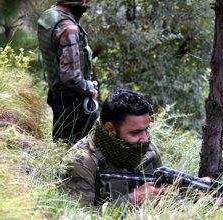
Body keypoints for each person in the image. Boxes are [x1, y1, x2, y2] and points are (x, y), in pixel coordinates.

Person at [63, 89, 165, 206]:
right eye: (135, 132)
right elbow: (77, 215)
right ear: (110, 129)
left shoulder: (149, 151)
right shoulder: (80, 161)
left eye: (145, 130)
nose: (145, 139)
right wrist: (133, 199)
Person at [37, 0, 98, 146]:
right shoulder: (68, 27)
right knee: (75, 151)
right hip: (72, 100)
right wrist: (89, 89)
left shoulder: (49, 15)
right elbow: (70, 76)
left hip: (56, 92)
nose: (86, 6)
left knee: (60, 144)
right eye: (85, 2)